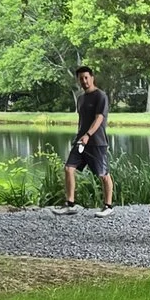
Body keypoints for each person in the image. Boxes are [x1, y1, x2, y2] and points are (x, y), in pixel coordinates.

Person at [56, 64, 113, 214]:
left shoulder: (101, 96)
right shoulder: (81, 98)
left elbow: (99, 118)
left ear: (92, 78)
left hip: (97, 142)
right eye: (81, 79)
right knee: (69, 168)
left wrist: (88, 135)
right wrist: (80, 137)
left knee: (103, 174)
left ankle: (108, 206)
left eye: (86, 78)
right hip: (81, 141)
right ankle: (70, 204)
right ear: (78, 81)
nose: (84, 81)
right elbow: (82, 120)